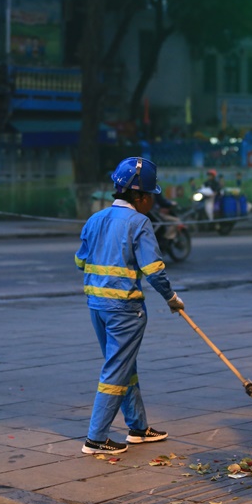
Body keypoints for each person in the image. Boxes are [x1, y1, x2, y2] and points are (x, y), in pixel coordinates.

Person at [75, 157, 185, 454]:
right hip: (124, 309)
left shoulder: (94, 219)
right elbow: (154, 271)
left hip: (96, 305)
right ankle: (95, 439)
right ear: (139, 196)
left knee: (124, 366)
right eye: (151, 195)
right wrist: (172, 299)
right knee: (115, 370)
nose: (152, 201)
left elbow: (80, 260)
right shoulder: (139, 222)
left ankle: (138, 428)